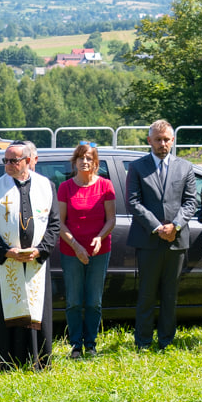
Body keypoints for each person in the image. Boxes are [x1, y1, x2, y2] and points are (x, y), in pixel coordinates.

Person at [0, 141, 60, 371]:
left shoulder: (46, 186)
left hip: (36, 261)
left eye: (13, 161)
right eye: (5, 160)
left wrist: (40, 250)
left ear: (27, 161)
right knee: (4, 308)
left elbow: (54, 224)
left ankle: (36, 361)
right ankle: (1, 362)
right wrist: (6, 251)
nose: (8, 165)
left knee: (35, 309)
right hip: (6, 261)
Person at [126, 120, 197, 349]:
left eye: (166, 139)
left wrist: (174, 226)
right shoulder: (137, 167)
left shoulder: (185, 167)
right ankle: (143, 342)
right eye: (158, 139)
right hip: (149, 241)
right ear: (149, 141)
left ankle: (166, 340)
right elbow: (133, 202)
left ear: (173, 140)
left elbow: (190, 202)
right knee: (146, 293)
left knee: (170, 295)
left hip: (176, 241)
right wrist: (158, 227)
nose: (162, 143)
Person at [57, 143, 116, 358]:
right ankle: (75, 346)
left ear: (95, 163)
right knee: (73, 300)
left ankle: (91, 344)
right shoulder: (65, 188)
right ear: (74, 162)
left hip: (100, 250)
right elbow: (60, 224)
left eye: (89, 158)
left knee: (94, 300)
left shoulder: (106, 186)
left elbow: (111, 219)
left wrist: (100, 238)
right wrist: (76, 246)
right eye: (80, 158)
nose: (85, 161)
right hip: (71, 249)